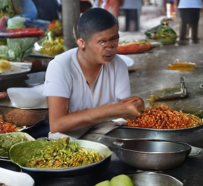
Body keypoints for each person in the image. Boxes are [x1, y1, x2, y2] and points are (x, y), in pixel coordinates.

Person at [44, 8, 144, 138]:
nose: (110, 47)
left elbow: (125, 110)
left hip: (103, 134)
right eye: (102, 41)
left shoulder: (118, 64)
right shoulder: (60, 67)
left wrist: (136, 105)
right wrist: (112, 109)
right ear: (82, 43)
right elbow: (57, 124)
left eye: (114, 39)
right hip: (67, 143)